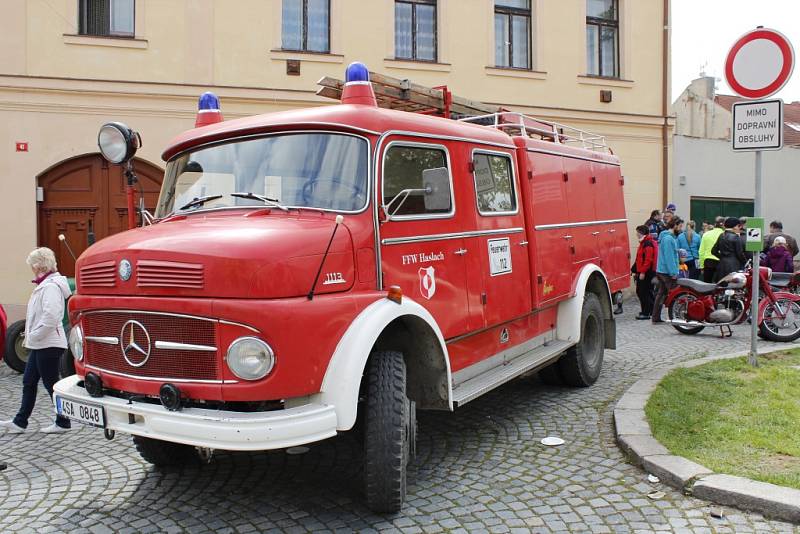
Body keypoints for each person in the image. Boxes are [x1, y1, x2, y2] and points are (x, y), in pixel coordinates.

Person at [0, 248, 72, 434]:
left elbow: (52, 316)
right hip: (41, 343)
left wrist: (34, 335)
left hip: (49, 343)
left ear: (39, 265)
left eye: (32, 265)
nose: (31, 269)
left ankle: (63, 422)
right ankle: (20, 421)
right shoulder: (45, 284)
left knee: (51, 384)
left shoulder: (50, 286)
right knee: (29, 381)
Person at [652, 217, 684, 324]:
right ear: (674, 225)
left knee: (661, 294)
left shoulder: (667, 237)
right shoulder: (668, 239)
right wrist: (673, 273)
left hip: (662, 270)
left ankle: (656, 317)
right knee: (675, 294)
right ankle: (678, 316)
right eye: (679, 226)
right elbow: (669, 257)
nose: (680, 229)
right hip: (666, 272)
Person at [633, 225, 658, 320]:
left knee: (642, 292)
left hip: (646, 272)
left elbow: (648, 260)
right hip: (646, 271)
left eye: (637, 232)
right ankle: (651, 310)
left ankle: (646, 312)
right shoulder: (645, 242)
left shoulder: (647, 244)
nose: (636, 234)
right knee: (647, 292)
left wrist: (642, 272)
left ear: (642, 233)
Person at [711, 217, 747, 282]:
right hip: (733, 266)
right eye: (739, 226)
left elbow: (713, 251)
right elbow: (740, 254)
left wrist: (722, 257)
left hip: (721, 265)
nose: (739, 228)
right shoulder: (736, 237)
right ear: (734, 226)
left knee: (721, 287)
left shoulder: (721, 236)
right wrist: (746, 262)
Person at [699, 216, 724, 283]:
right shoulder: (724, 235)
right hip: (720, 261)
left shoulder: (706, 234)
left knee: (707, 283)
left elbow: (701, 251)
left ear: (715, 225)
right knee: (720, 283)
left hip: (708, 261)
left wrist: (701, 266)